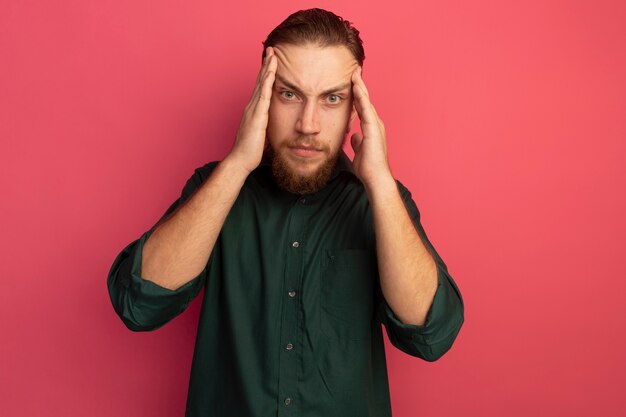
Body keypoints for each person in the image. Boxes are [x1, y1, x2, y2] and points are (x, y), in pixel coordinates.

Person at [107, 8, 463, 417]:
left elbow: (432, 335)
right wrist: (238, 162)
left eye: (332, 99)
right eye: (289, 94)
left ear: (355, 111)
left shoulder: (381, 203)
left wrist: (381, 184)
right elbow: (139, 303)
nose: (308, 124)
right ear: (262, 97)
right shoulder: (215, 188)